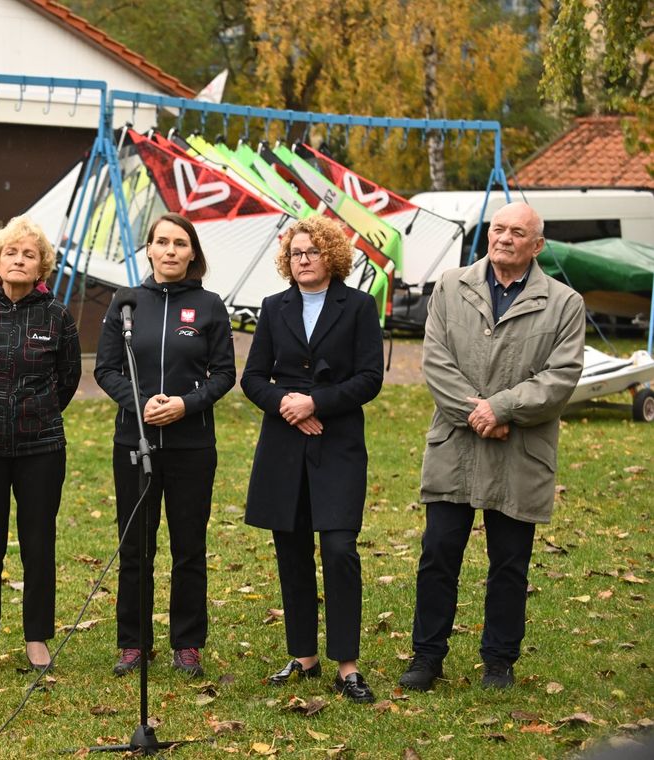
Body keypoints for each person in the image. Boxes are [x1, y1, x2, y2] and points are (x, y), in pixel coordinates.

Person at [398, 201, 584, 691]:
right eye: (497, 229)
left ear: (537, 245)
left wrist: (501, 409)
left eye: (517, 232)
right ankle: (426, 657)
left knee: (509, 561)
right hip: (454, 444)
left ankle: (498, 661)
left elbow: (561, 376)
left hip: (519, 449)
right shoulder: (450, 286)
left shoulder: (565, 303)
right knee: (438, 551)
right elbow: (435, 361)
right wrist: (476, 414)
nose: (504, 238)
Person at [241, 215, 383, 704]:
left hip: (337, 444)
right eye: (296, 252)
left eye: (313, 251)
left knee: (340, 550)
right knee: (291, 550)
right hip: (283, 446)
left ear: (332, 257)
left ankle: (347, 665)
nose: (304, 259)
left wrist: (315, 403)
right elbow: (253, 377)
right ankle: (303, 655)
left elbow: (370, 378)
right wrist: (288, 405)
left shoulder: (359, 306)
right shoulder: (273, 307)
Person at [93, 212, 236, 678]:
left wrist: (184, 405)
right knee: (135, 545)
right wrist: (139, 405)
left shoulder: (211, 305)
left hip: (192, 445)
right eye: (162, 242)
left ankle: (187, 642)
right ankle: (133, 643)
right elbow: (106, 368)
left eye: (180, 243)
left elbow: (224, 374)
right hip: (133, 442)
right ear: (149, 250)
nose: (171, 250)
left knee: (188, 546)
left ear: (192, 252)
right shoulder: (126, 302)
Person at [0, 216, 82, 675]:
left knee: (38, 543)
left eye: (28, 253)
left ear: (41, 264)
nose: (19, 260)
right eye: (11, 252)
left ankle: (36, 638)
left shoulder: (57, 315)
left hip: (41, 446)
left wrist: (36, 412)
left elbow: (68, 379)